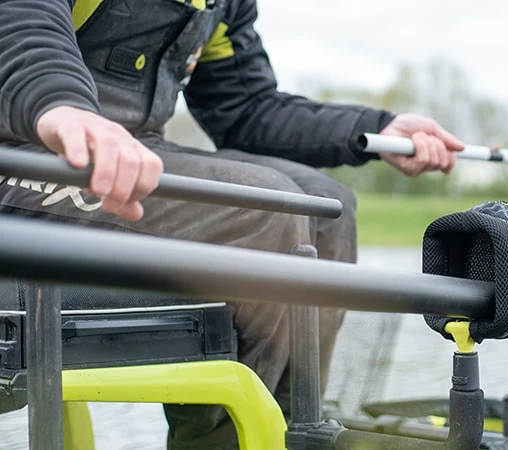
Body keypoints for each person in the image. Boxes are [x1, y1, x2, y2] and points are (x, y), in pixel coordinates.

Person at [0, 0, 464, 448]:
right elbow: (24, 18)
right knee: (261, 213)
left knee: (327, 207)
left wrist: (376, 129)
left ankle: (289, 434)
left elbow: (245, 106)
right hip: (26, 150)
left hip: (138, 154)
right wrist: (60, 104)